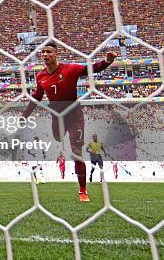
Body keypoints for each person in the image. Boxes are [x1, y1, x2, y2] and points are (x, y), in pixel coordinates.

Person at [22, 42, 117, 202]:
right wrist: (25, 115)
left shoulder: (70, 69)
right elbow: (37, 96)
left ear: (56, 54)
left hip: (74, 115)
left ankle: (83, 191)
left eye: (49, 52)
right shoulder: (41, 77)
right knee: (58, 138)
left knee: (76, 152)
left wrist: (106, 61)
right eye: (43, 52)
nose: (45, 55)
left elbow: (91, 69)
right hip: (57, 116)